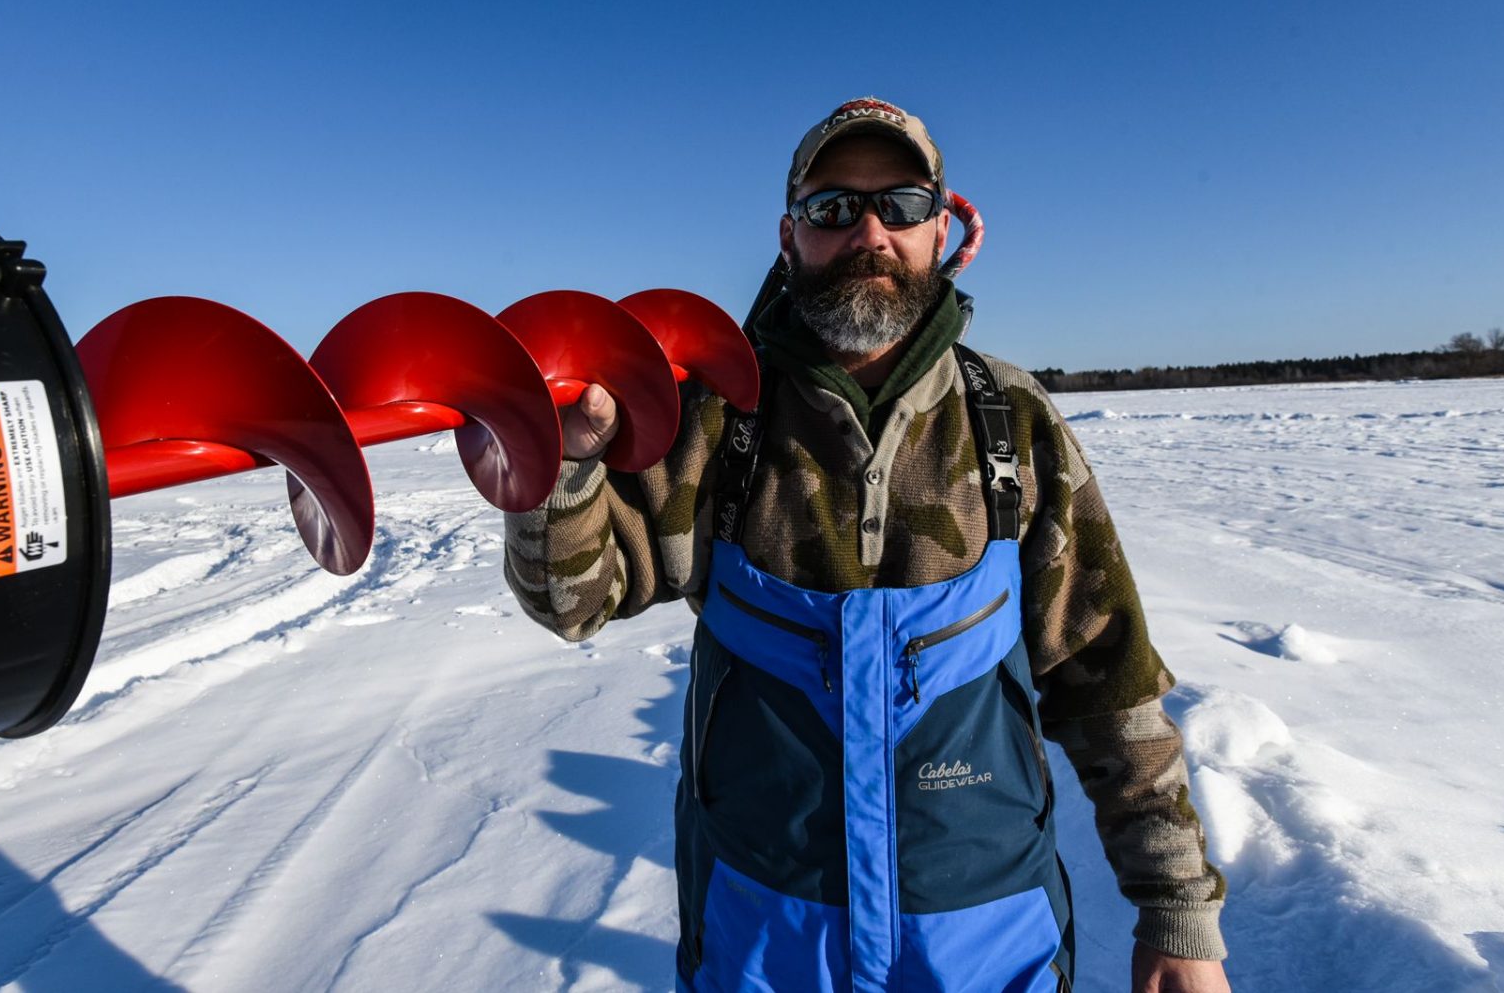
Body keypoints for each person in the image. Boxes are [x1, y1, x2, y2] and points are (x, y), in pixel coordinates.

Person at [503, 97, 1230, 993]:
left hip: (988, 945)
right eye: (834, 208)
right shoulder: (717, 421)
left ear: (940, 228)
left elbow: (1105, 674)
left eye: (904, 205)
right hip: (763, 941)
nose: (871, 232)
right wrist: (562, 470)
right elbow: (573, 601)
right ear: (789, 233)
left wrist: (1177, 910)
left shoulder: (1011, 423)